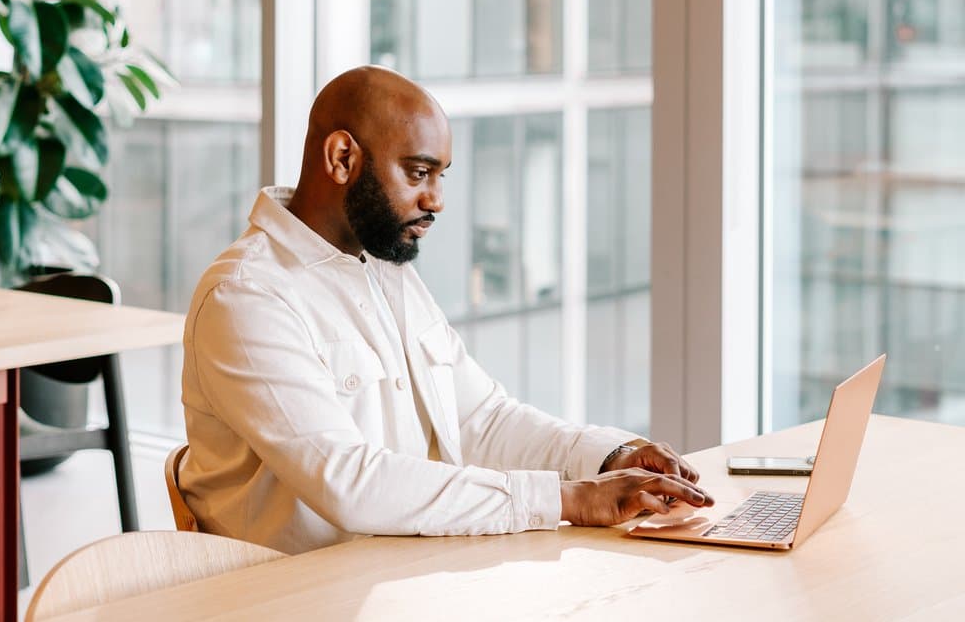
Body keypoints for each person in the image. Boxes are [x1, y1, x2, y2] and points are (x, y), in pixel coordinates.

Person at [180, 65, 713, 555]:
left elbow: (481, 420)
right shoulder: (246, 296)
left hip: (405, 582)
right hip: (292, 604)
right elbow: (349, 483)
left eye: (441, 176)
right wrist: (568, 500)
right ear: (342, 159)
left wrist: (607, 458)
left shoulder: (387, 272)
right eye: (418, 173)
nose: (435, 199)